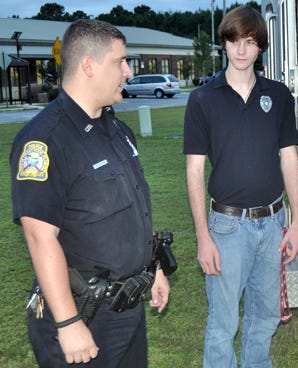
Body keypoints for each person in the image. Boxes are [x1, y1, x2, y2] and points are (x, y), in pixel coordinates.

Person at [10, 19, 169, 367]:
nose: (128, 72)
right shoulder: (45, 140)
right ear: (88, 65)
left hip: (127, 308)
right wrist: (68, 323)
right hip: (84, 315)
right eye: (120, 62)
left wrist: (153, 267)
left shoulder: (118, 131)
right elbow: (40, 237)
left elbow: (131, 212)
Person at [183, 6, 298, 368]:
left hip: (272, 221)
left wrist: (296, 221)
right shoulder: (203, 99)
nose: (240, 50)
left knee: (265, 315)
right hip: (227, 227)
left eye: (249, 42)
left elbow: (290, 158)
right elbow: (194, 170)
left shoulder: (279, 96)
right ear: (224, 44)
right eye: (234, 41)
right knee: (223, 322)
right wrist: (203, 237)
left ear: (260, 47)